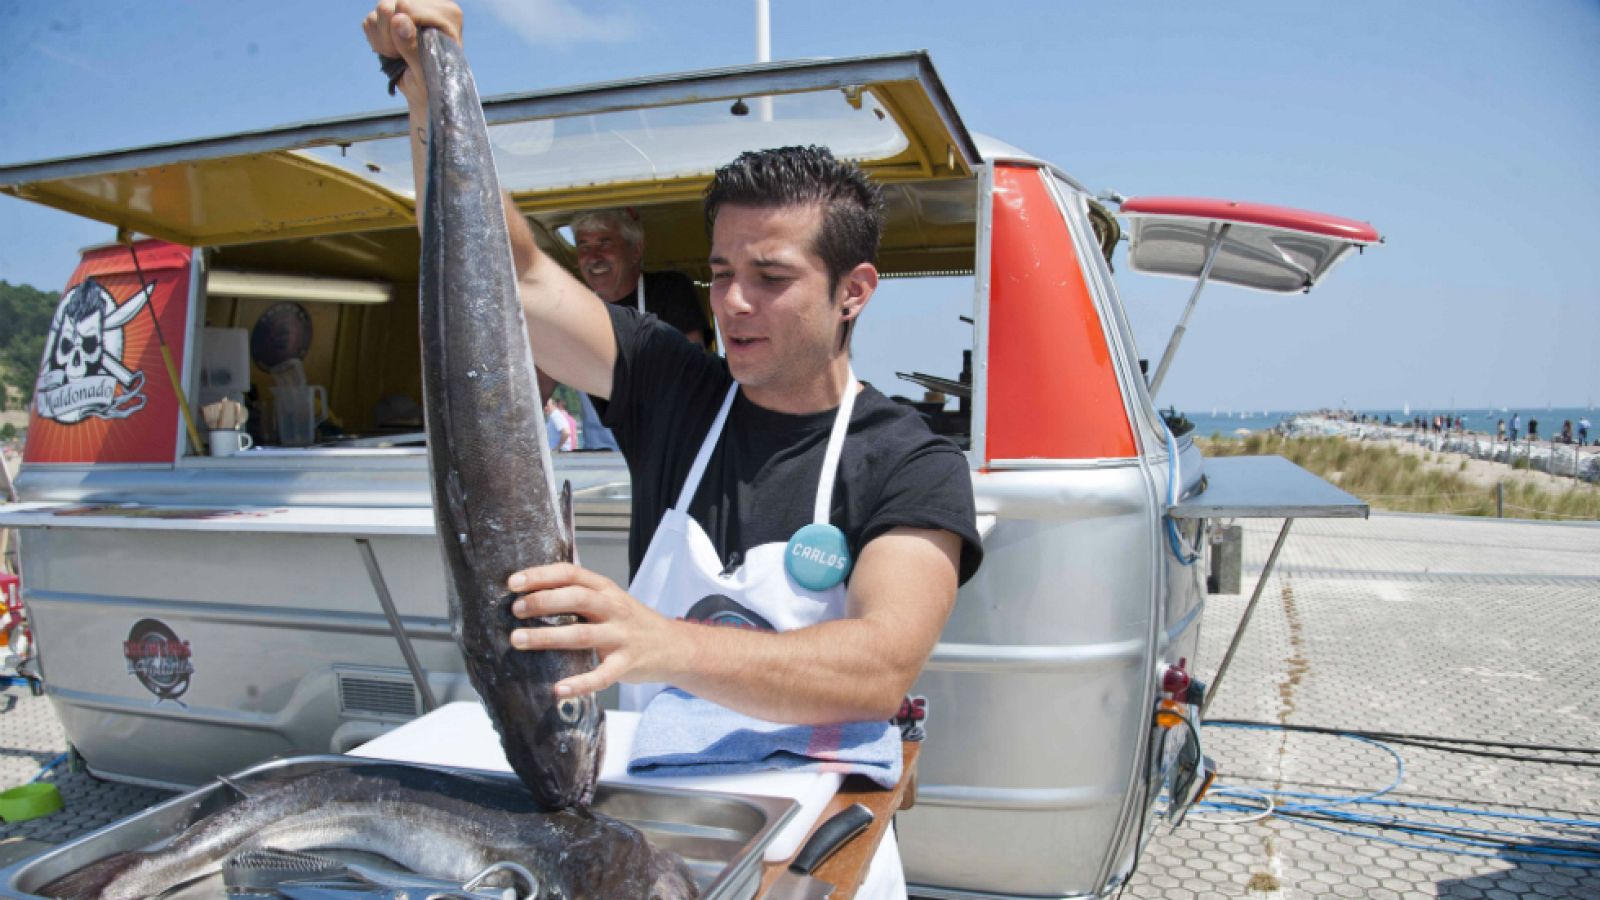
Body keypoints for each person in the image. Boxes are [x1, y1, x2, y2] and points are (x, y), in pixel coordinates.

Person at [366, 4, 982, 894]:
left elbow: (878, 667)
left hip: (822, 846)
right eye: (722, 274)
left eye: (770, 279)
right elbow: (513, 274)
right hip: (660, 829)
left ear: (855, 291)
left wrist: (658, 643)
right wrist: (428, 85)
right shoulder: (670, 386)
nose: (733, 302)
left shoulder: (908, 459)